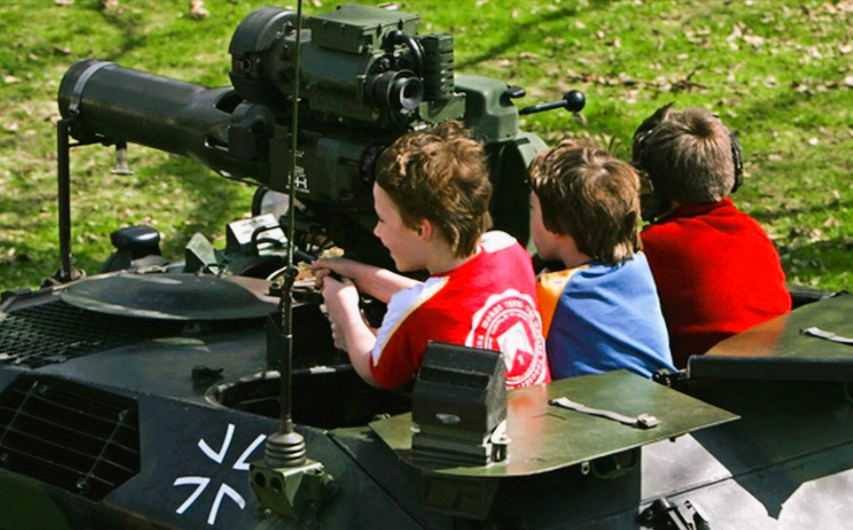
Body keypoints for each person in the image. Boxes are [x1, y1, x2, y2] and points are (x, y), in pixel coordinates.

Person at [311, 121, 550, 390]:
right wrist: (361, 275)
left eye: (382, 220)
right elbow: (454, 302)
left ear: (422, 229)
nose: (377, 231)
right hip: (538, 416)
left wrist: (346, 314)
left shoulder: (420, 310)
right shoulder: (508, 249)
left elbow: (374, 371)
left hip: (484, 430)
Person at [633, 104, 791, 367]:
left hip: (707, 394)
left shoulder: (652, 246)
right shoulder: (752, 230)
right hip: (778, 376)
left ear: (650, 186)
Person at [529, 140, 675, 380]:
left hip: (596, 413)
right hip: (659, 402)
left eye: (533, 209)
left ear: (555, 225)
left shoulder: (553, 291)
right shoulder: (638, 264)